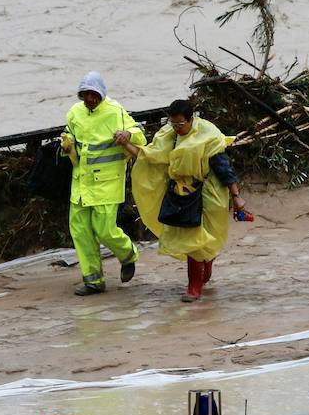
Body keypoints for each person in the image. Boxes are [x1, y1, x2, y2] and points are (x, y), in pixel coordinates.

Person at [119, 99, 247, 302]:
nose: (177, 128)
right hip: (181, 193)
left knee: (207, 239)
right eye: (173, 124)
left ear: (191, 119)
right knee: (191, 240)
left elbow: (223, 167)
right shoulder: (167, 137)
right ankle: (193, 287)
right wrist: (126, 144)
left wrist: (236, 196)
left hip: (208, 192)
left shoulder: (208, 136)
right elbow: (149, 157)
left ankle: (207, 264)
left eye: (181, 124)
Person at [61, 71, 146, 296]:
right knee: (80, 232)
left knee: (105, 230)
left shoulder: (115, 111)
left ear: (101, 93)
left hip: (107, 183)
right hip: (81, 184)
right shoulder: (74, 113)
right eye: (85, 94)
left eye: (93, 94)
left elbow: (141, 135)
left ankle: (128, 255)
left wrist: (127, 134)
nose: (89, 98)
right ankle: (94, 281)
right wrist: (66, 144)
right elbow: (69, 135)